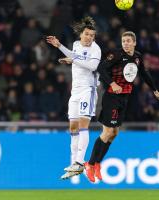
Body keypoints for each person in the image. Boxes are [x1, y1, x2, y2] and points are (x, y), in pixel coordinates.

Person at [84, 31, 159, 182]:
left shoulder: (138, 57)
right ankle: (90, 164)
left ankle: (98, 164)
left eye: (128, 41)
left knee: (114, 133)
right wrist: (113, 84)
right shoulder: (116, 55)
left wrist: (155, 90)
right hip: (111, 97)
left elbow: (145, 74)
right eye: (123, 41)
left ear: (134, 43)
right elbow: (101, 68)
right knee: (107, 132)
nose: (126, 43)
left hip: (124, 98)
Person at [46, 16, 101, 179]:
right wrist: (59, 46)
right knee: (73, 128)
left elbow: (93, 66)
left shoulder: (96, 49)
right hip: (75, 92)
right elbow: (74, 55)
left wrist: (74, 60)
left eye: (92, 35)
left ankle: (79, 162)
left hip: (88, 90)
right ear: (81, 35)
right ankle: (73, 162)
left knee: (84, 125)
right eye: (87, 34)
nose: (90, 37)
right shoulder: (76, 45)